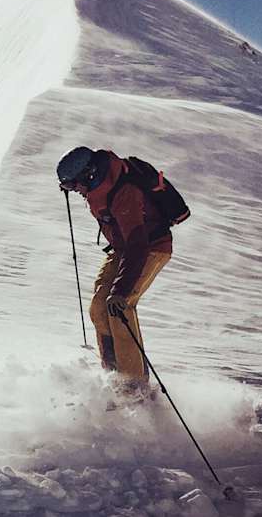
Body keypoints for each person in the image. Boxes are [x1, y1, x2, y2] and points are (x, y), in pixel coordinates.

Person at [56, 146, 173, 391]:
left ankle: (133, 385)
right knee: (99, 307)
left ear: (89, 175)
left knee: (119, 307)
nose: (74, 191)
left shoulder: (123, 193)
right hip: (124, 249)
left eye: (74, 185)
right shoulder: (97, 186)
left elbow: (138, 245)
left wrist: (120, 290)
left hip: (150, 248)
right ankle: (112, 375)